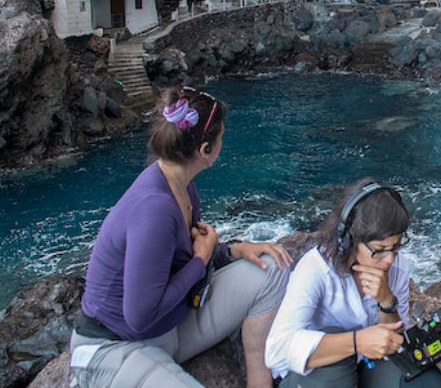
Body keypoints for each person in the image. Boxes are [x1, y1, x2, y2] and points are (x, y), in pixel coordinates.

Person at [70, 87, 292, 388]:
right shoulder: (154, 209)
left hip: (172, 325)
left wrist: (232, 251)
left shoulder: (182, 185)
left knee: (273, 266)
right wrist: (201, 260)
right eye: (221, 136)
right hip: (116, 347)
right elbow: (139, 317)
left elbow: (180, 256)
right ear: (205, 150)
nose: (222, 142)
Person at [264, 179, 441, 388]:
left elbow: (396, 343)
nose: (390, 259)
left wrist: (387, 303)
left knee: (428, 382)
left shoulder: (397, 266)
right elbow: (276, 351)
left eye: (395, 247)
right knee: (334, 357)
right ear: (349, 241)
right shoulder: (316, 269)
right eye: (380, 249)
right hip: (318, 376)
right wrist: (356, 341)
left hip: (367, 367)